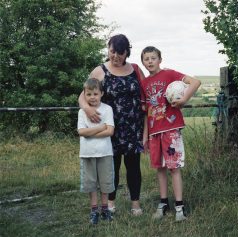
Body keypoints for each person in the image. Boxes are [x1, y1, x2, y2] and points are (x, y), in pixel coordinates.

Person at [78, 34, 146, 216]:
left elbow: (145, 95)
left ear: (127, 53)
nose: (115, 56)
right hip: (110, 128)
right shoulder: (100, 71)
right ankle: (110, 203)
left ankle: (135, 204)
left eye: (120, 53)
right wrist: (88, 109)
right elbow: (83, 95)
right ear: (108, 49)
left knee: (133, 166)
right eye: (112, 51)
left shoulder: (136, 70)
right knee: (112, 167)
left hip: (133, 127)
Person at [140, 46, 201, 221]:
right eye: (146, 59)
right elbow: (147, 111)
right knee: (160, 168)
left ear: (160, 59)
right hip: (154, 132)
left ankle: (179, 207)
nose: (150, 61)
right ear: (143, 62)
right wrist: (145, 136)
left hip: (170, 130)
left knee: (173, 167)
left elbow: (195, 82)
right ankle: (163, 203)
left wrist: (184, 99)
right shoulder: (144, 84)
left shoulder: (169, 74)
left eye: (153, 58)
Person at [77, 78, 115, 225]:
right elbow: (81, 132)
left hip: (105, 152)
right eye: (89, 94)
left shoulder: (107, 109)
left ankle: (105, 209)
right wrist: (100, 128)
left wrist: (89, 133)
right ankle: (94, 210)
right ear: (84, 95)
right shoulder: (82, 112)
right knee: (91, 183)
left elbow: (110, 131)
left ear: (101, 94)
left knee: (105, 182)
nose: (92, 97)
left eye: (95, 93)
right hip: (87, 153)